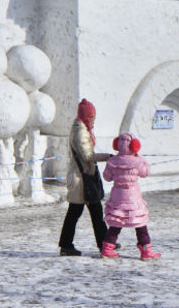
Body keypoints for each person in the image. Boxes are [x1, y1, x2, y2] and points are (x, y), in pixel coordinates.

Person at [58, 99, 111, 256]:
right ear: (87, 116)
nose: (94, 119)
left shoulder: (80, 128)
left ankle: (68, 245)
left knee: (83, 212)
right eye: (93, 116)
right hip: (81, 179)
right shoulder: (81, 131)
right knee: (90, 211)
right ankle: (104, 244)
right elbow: (87, 155)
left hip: (82, 177)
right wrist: (107, 157)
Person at [99, 133, 160, 260]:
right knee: (139, 222)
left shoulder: (112, 161)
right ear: (134, 145)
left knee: (116, 221)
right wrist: (142, 158)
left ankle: (107, 249)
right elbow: (145, 173)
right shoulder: (137, 161)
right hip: (132, 196)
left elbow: (107, 177)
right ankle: (146, 250)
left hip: (117, 195)